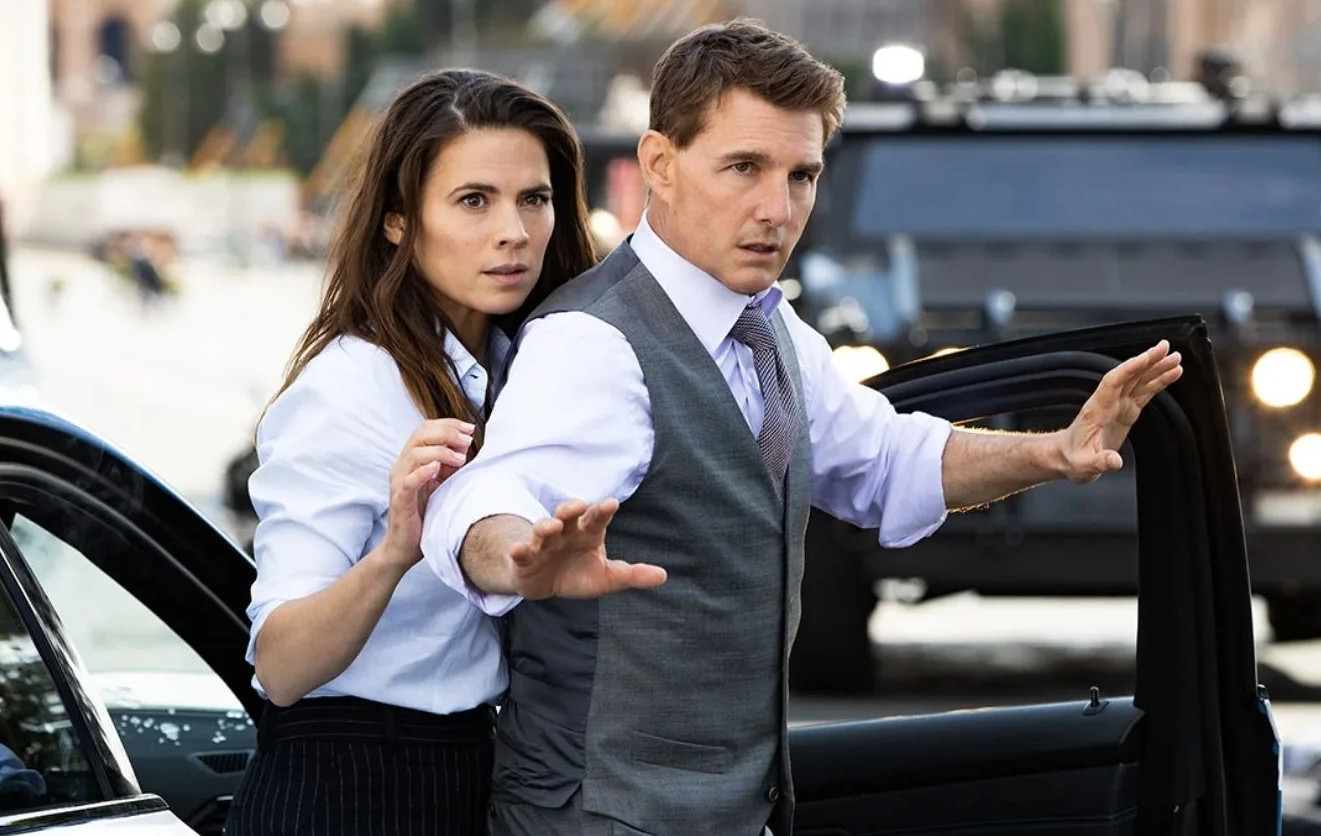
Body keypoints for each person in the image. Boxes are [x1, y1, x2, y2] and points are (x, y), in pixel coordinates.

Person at [420, 19, 1184, 836]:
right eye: (743, 168)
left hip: (735, 809)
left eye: (802, 175)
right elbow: (485, 498)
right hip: (598, 816)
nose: (776, 210)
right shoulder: (593, 343)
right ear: (659, 165)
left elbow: (889, 462)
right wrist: (519, 558)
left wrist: (1053, 453)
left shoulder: (769, 327)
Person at [222, 69, 634, 835]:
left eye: (533, 198)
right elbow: (280, 666)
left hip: (475, 766)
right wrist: (394, 551)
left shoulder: (531, 370)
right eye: (473, 200)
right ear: (397, 221)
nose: (513, 231)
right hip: (345, 787)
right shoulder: (349, 387)